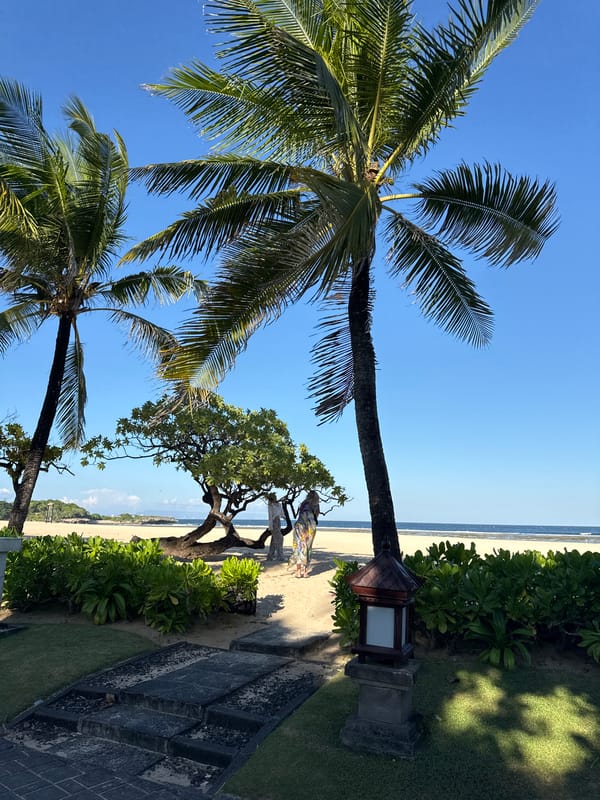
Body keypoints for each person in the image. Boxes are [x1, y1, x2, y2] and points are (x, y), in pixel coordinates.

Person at [288, 490, 320, 577]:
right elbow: (316, 515)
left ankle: (298, 571)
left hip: (299, 526)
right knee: (307, 548)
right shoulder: (316, 505)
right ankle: (305, 572)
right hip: (310, 527)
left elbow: (300, 515)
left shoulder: (303, 504)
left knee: (298, 547)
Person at [266, 493, 285, 561]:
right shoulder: (270, 505)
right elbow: (270, 516)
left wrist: (287, 519)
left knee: (274, 540)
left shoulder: (279, 504)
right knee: (279, 539)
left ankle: (270, 556)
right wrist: (270, 526)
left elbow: (282, 513)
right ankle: (280, 556)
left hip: (278, 521)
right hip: (274, 522)